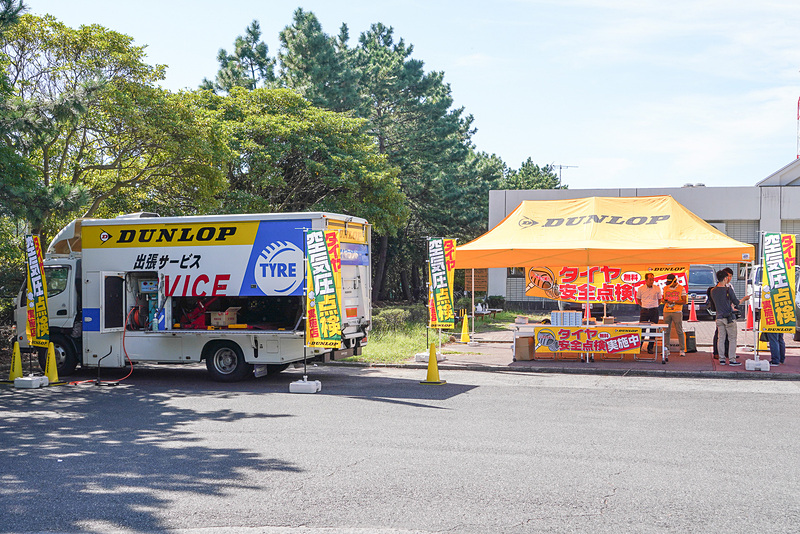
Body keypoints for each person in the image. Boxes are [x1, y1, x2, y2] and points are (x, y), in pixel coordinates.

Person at [710, 269, 750, 366]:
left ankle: (722, 359)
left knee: (721, 338)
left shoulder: (713, 290)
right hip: (729, 318)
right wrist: (744, 299)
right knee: (732, 338)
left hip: (719, 317)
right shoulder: (728, 290)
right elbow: (736, 302)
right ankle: (732, 359)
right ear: (725, 279)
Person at [708, 267, 734, 359]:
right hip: (721, 314)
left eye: (730, 276)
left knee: (727, 335)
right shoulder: (717, 288)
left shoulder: (730, 286)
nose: (729, 278)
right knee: (719, 334)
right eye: (727, 276)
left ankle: (726, 352)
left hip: (728, 313)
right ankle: (717, 352)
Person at [635, 272, 662, 354]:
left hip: (654, 310)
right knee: (642, 329)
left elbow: (660, 299)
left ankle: (650, 348)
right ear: (646, 280)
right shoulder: (641, 288)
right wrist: (643, 305)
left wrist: (655, 305)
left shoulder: (657, 288)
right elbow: (638, 299)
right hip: (644, 310)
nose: (652, 281)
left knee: (653, 329)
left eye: (653, 279)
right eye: (650, 279)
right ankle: (639, 347)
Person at [662, 273, 687, 357]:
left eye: (671, 283)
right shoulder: (665, 288)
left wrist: (673, 301)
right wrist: (664, 301)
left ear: (675, 281)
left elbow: (684, 301)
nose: (669, 285)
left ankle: (682, 349)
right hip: (666, 311)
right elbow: (663, 299)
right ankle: (666, 349)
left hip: (677, 311)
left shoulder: (681, 288)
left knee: (679, 330)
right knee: (666, 331)